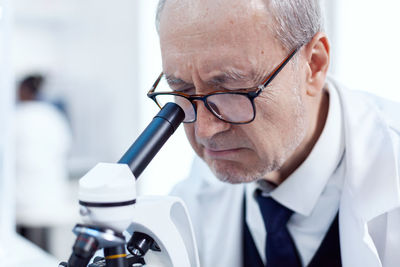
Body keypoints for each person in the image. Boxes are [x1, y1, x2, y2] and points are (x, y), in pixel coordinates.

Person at [149, 0, 400, 266]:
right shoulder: (193, 201)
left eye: (232, 90)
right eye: (182, 90)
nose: (204, 130)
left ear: (314, 65)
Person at [15, 75, 72, 251]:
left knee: (24, 250)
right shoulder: (53, 116)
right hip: (47, 194)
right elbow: (65, 146)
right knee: (42, 249)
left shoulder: (16, 116)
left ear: (24, 90)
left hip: (23, 198)